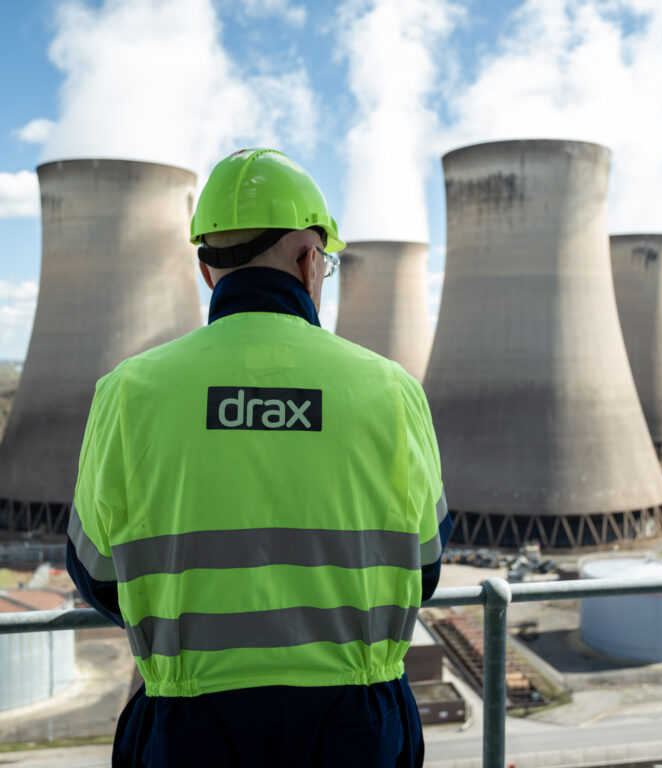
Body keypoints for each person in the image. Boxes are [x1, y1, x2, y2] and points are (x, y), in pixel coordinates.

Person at [66, 148, 452, 767]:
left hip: (192, 729)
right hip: (356, 728)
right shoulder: (391, 390)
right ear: (308, 260)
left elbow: (95, 572)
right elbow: (425, 567)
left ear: (206, 269)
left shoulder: (129, 391)